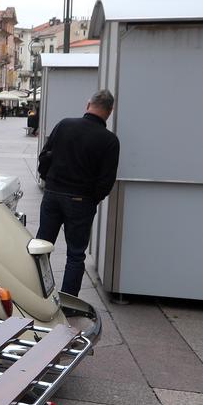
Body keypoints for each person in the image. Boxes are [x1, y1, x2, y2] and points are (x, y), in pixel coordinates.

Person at [36, 89, 120, 297]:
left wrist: (49, 180)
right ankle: (68, 301)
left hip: (53, 193)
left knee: (42, 246)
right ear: (110, 111)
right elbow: (106, 180)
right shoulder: (109, 140)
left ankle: (36, 291)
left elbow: (45, 156)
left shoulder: (65, 125)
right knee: (75, 254)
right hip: (81, 200)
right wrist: (92, 198)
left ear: (88, 104)